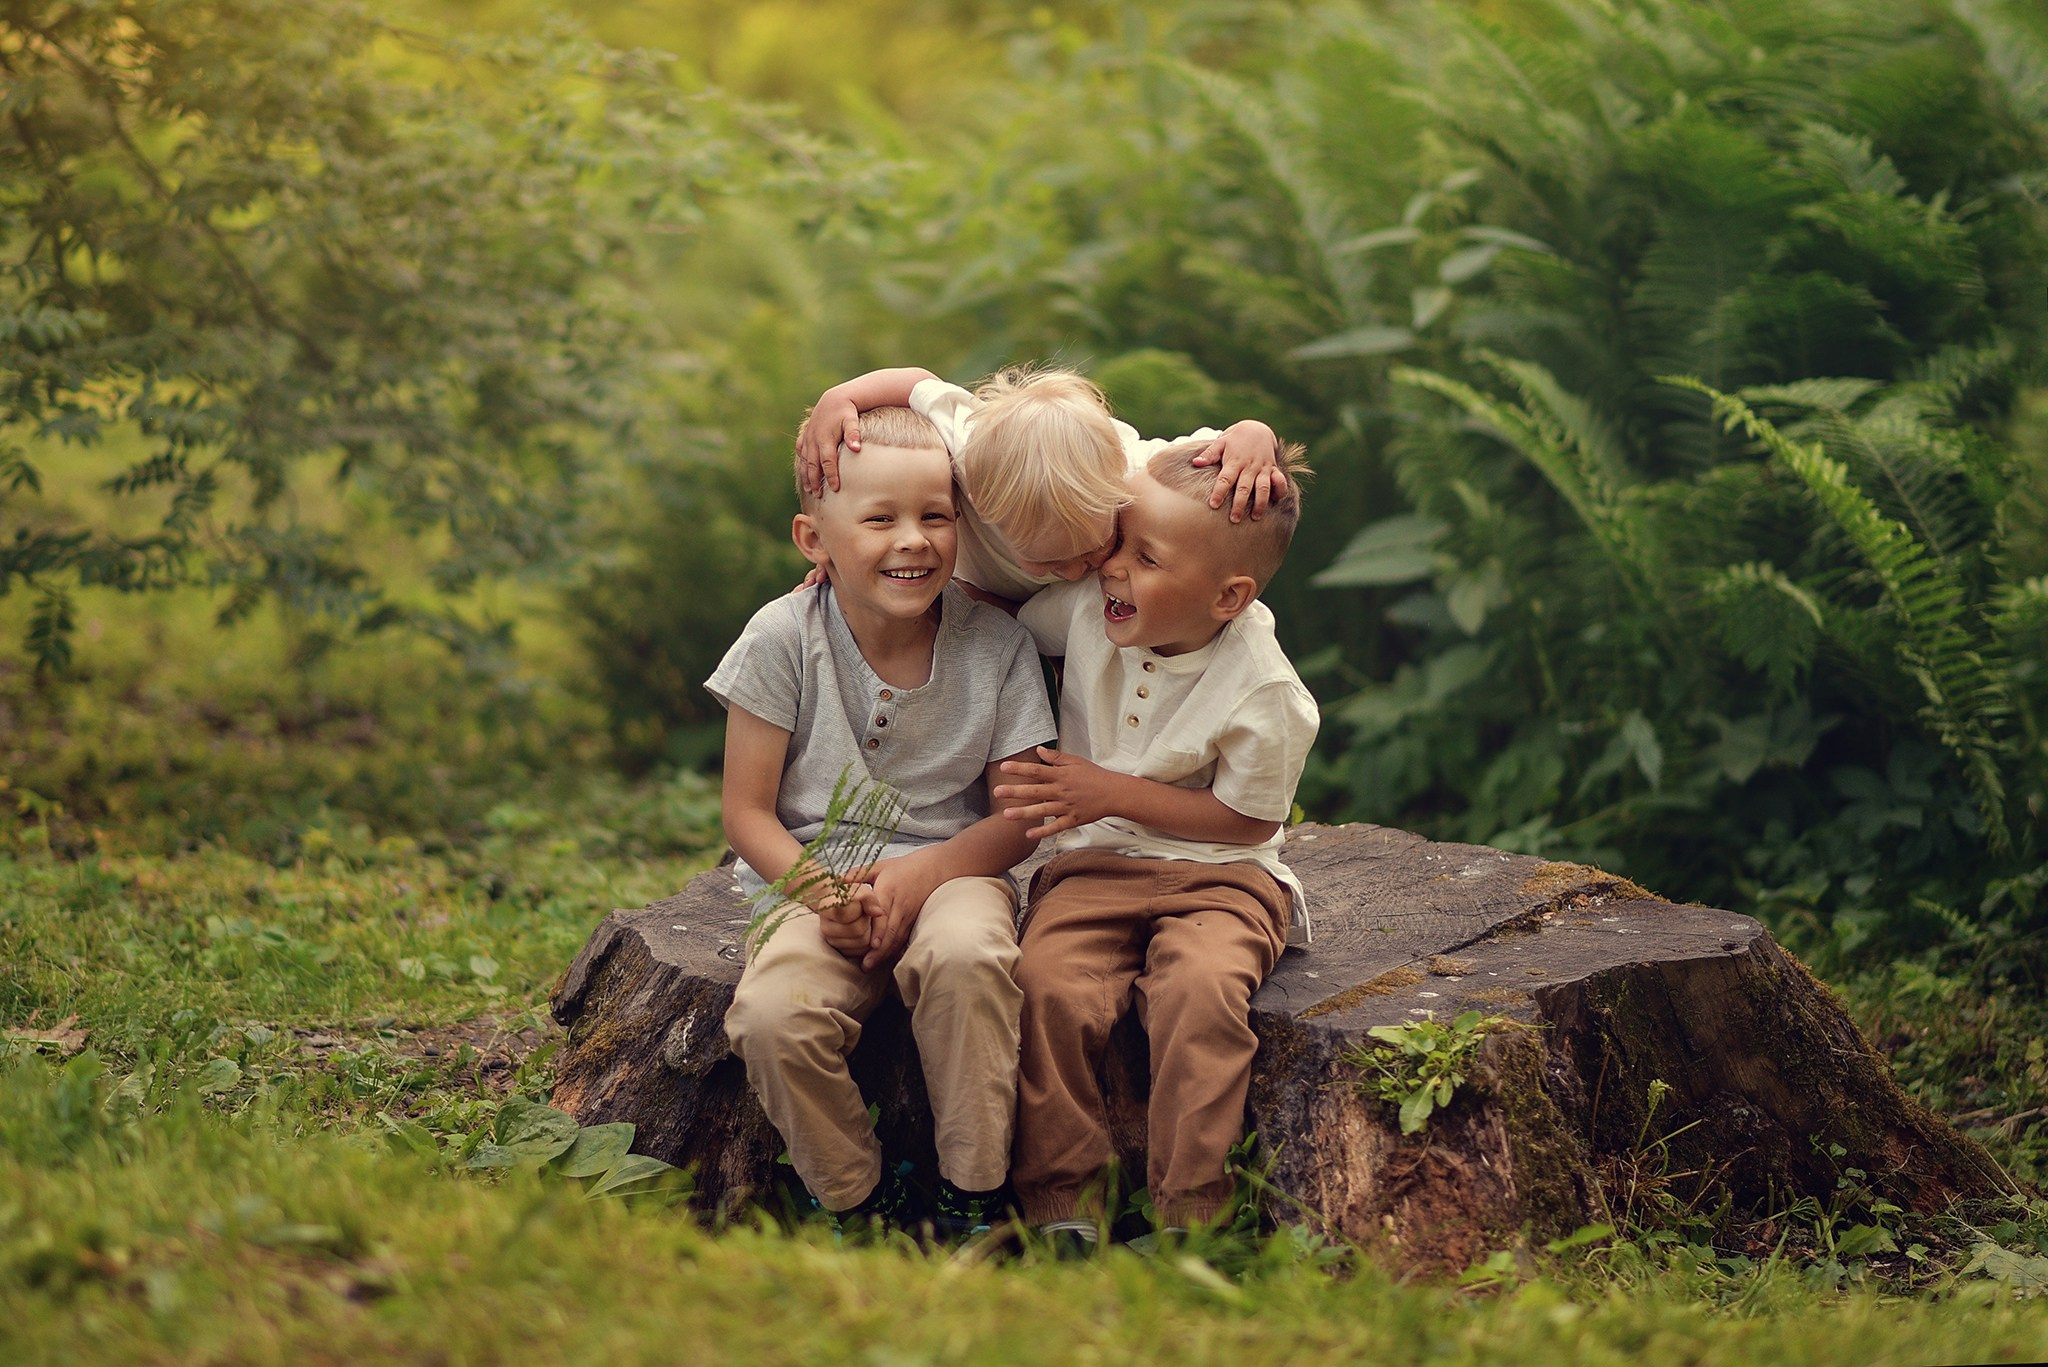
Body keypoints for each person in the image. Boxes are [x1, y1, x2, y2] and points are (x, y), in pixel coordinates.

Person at [710, 406, 1056, 1236]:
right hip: (810, 880)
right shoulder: (782, 637)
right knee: (773, 1016)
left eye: (936, 515)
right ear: (813, 539)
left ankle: (974, 1192)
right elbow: (745, 811)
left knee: (971, 959)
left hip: (957, 869)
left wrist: (916, 877)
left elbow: (1019, 820)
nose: (914, 539)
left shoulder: (996, 647)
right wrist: (825, 894)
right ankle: (861, 1199)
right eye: (880, 519)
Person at [991, 438, 1320, 1239]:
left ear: (1227, 595)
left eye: (1145, 556)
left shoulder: (1264, 687)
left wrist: (1110, 791)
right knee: (1046, 984)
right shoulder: (1084, 613)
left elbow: (1252, 820)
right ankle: (1064, 1203)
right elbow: (986, 609)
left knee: (1200, 993)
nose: (1109, 567)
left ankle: (1191, 1213)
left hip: (1224, 879)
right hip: (1093, 870)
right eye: (1118, 541)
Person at [798, 366, 1289, 602]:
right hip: (974, 588)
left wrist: (1255, 435)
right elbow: (915, 384)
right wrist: (839, 397)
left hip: (1076, 614)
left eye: (1095, 547)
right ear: (977, 500)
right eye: (1050, 560)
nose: (1075, 570)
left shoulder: (1133, 471)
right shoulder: (970, 450)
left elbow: (1220, 452)